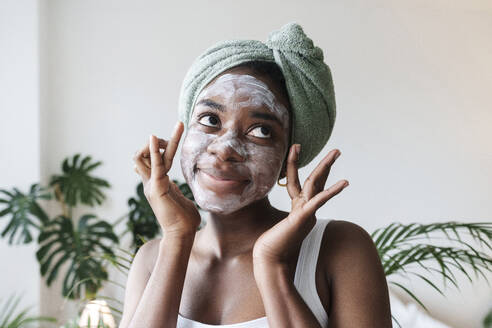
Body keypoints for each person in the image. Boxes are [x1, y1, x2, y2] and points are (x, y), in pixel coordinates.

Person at [120, 23, 392, 328]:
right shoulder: (150, 259)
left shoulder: (340, 248)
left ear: (290, 155)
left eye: (261, 131)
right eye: (210, 120)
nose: (225, 149)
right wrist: (176, 236)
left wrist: (272, 265)